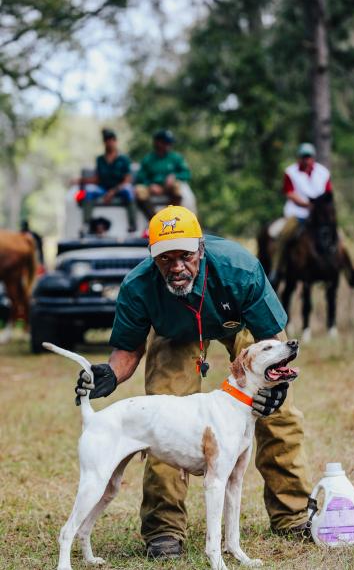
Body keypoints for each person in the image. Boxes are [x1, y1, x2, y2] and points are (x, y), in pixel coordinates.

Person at [76, 206, 312, 558]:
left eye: (185, 255)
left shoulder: (239, 269)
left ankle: (292, 515)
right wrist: (108, 375)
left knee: (278, 414)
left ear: (201, 248)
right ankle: (164, 528)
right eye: (165, 258)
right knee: (162, 421)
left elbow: (275, 341)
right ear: (152, 257)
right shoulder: (138, 286)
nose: (176, 266)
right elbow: (125, 352)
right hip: (174, 335)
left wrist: (276, 388)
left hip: (241, 327)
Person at [269, 142, 332, 287]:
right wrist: (307, 205)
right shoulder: (291, 172)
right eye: (303, 157)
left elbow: (328, 194)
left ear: (313, 158)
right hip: (297, 214)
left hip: (319, 216)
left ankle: (348, 270)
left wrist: (320, 207)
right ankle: (275, 270)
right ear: (299, 158)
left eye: (308, 157)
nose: (306, 160)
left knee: (336, 237)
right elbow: (290, 193)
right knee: (283, 236)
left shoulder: (323, 172)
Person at [76, 129, 137, 232]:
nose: (109, 143)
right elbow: (97, 179)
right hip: (103, 188)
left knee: (129, 190)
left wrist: (113, 192)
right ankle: (87, 224)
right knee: (89, 190)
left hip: (119, 189)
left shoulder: (123, 159)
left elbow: (127, 180)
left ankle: (132, 224)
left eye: (111, 140)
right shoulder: (100, 159)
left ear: (115, 141)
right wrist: (82, 180)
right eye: (107, 140)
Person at [135, 129, 192, 219]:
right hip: (152, 189)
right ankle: (155, 218)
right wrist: (150, 185)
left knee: (177, 186)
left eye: (169, 143)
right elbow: (140, 178)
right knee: (139, 190)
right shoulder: (148, 159)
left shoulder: (176, 157)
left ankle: (172, 215)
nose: (169, 145)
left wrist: (175, 176)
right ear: (158, 143)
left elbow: (187, 174)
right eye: (166, 142)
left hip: (168, 188)